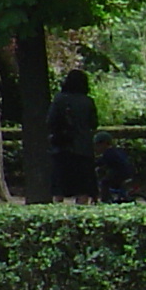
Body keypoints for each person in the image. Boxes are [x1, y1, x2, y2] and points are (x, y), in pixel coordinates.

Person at [49, 70, 99, 204]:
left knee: (59, 186)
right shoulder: (88, 102)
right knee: (83, 187)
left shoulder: (59, 99)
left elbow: (50, 121)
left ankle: (56, 215)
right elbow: (93, 123)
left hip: (62, 148)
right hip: (83, 149)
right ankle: (80, 214)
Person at [97, 133, 141, 203]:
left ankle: (105, 200)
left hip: (120, 173)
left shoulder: (108, 153)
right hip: (129, 172)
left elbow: (100, 162)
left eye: (98, 144)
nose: (97, 147)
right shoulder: (117, 150)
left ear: (104, 143)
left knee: (104, 183)